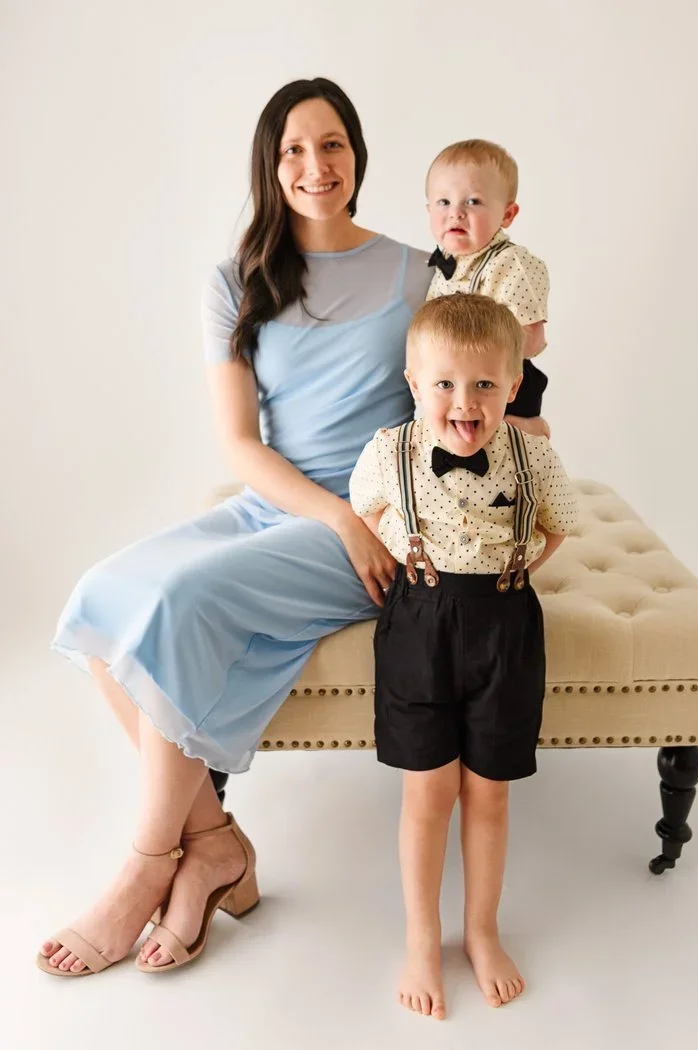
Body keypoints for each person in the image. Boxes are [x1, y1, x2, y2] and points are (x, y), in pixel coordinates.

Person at [37, 77, 431, 977]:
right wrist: (326, 510)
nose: (314, 165)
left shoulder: (415, 272)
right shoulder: (236, 281)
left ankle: (144, 867)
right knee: (100, 599)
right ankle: (212, 842)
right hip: (291, 505)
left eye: (331, 145)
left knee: (175, 603)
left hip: (375, 522)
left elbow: (474, 374)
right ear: (269, 163)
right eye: (293, 149)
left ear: (357, 157)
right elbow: (239, 443)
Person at [349, 294, 578, 1019]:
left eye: (484, 385)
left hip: (504, 627)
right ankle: (423, 937)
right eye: (444, 383)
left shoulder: (533, 455)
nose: (464, 402)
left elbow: (559, 526)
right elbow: (367, 510)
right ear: (414, 384)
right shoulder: (390, 451)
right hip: (421, 624)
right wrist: (406, 555)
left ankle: (481, 929)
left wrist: (516, 566)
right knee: (428, 794)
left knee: (490, 792)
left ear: (514, 385)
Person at [425, 139, 552, 438]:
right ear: (428, 208)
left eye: (473, 201)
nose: (456, 212)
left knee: (505, 448)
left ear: (507, 215)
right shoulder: (445, 264)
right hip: (453, 383)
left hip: (500, 383)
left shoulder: (511, 264)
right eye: (444, 202)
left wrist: (479, 347)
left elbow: (531, 339)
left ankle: (531, 433)